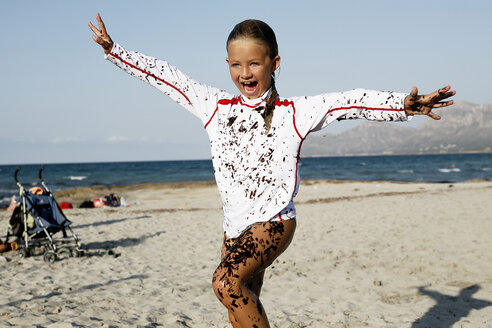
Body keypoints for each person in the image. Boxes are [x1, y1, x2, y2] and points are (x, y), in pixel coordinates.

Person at [89, 13, 455, 328]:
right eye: (235, 64)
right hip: (234, 228)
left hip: (275, 223)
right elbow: (170, 78)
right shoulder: (213, 105)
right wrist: (115, 52)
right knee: (240, 307)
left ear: (274, 63)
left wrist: (402, 105)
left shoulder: (294, 112)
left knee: (225, 282)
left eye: (254, 63)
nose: (244, 73)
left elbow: (348, 101)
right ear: (227, 64)